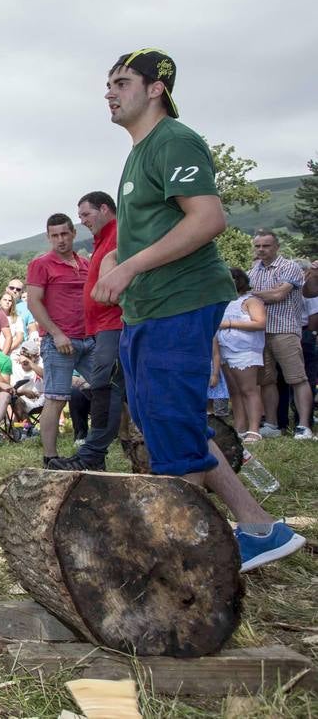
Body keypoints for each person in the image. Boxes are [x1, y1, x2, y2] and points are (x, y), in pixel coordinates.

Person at [92, 47, 303, 570]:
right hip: (149, 307)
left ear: (155, 88)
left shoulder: (175, 140)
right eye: (109, 84)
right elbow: (154, 227)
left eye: (121, 82)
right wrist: (116, 258)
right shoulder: (140, 151)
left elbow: (208, 219)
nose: (109, 93)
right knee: (167, 422)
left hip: (180, 301)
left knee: (169, 424)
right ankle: (259, 527)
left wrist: (128, 267)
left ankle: (176, 554)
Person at [49, 191, 125, 471]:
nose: (82, 221)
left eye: (85, 215)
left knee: (106, 387)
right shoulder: (104, 239)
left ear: (104, 209)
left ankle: (92, 454)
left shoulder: (120, 235)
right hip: (104, 327)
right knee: (115, 388)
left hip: (115, 324)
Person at [24, 213, 95, 466]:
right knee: (55, 398)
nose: (60, 240)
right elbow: (33, 302)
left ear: (73, 233)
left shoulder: (85, 263)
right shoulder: (41, 264)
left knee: (107, 390)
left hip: (90, 338)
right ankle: (50, 457)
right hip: (59, 340)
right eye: (54, 235)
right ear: (48, 237)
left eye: (64, 234)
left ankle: (99, 450)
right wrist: (55, 333)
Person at [247, 230, 314, 438]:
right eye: (258, 246)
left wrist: (252, 294)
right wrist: (263, 294)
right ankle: (273, 424)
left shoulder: (290, 267)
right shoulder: (253, 270)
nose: (261, 250)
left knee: (297, 378)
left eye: (266, 246)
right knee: (267, 380)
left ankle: (303, 426)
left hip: (284, 329)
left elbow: (278, 294)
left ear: (276, 247)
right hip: (260, 332)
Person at [214, 267, 267, 442]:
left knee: (249, 390)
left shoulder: (251, 301)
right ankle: (239, 426)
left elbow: (260, 323)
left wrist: (229, 323)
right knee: (234, 391)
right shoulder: (223, 301)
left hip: (245, 350)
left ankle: (254, 429)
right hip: (225, 349)